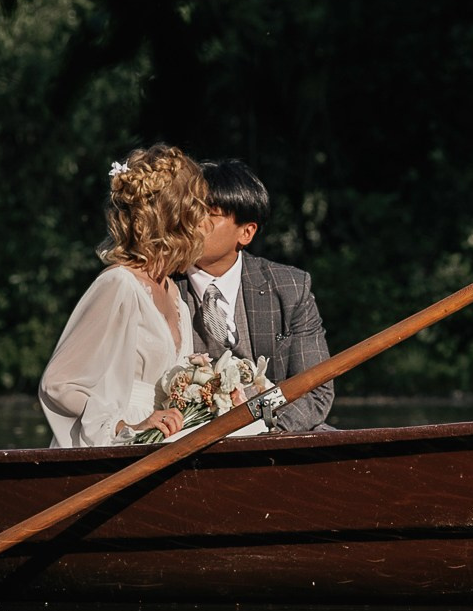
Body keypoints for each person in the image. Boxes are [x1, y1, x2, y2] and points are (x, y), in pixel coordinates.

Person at [39, 145, 210, 447]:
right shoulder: (119, 284)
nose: (205, 222)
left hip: (167, 439)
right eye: (198, 211)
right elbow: (58, 383)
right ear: (176, 219)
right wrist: (122, 425)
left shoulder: (174, 293)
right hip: (121, 442)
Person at [178, 159, 334, 433]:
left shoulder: (290, 287)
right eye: (190, 210)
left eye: (209, 214)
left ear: (246, 232)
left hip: (275, 431)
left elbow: (315, 390)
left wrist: (258, 427)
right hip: (184, 433)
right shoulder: (158, 284)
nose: (193, 223)